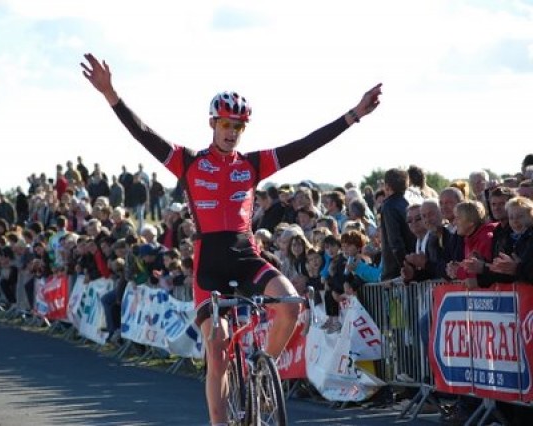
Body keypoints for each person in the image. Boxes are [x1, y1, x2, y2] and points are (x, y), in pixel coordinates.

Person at [81, 52, 382, 425]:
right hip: (209, 265)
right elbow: (144, 135)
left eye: (238, 126)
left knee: (290, 305)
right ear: (213, 123)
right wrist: (112, 94)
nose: (231, 131)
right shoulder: (188, 161)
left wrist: (352, 116)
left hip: (246, 254)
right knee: (219, 350)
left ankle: (262, 368)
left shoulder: (252, 164)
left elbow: (305, 144)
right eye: (225, 123)